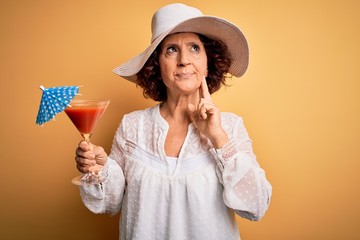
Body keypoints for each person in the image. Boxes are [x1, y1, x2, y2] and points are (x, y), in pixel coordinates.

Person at [75, 3, 272, 240]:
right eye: (171, 49)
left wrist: (218, 137)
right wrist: (99, 169)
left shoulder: (230, 127)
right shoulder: (132, 126)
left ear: (208, 63)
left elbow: (256, 206)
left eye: (194, 48)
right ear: (157, 64)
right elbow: (111, 203)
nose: (184, 60)